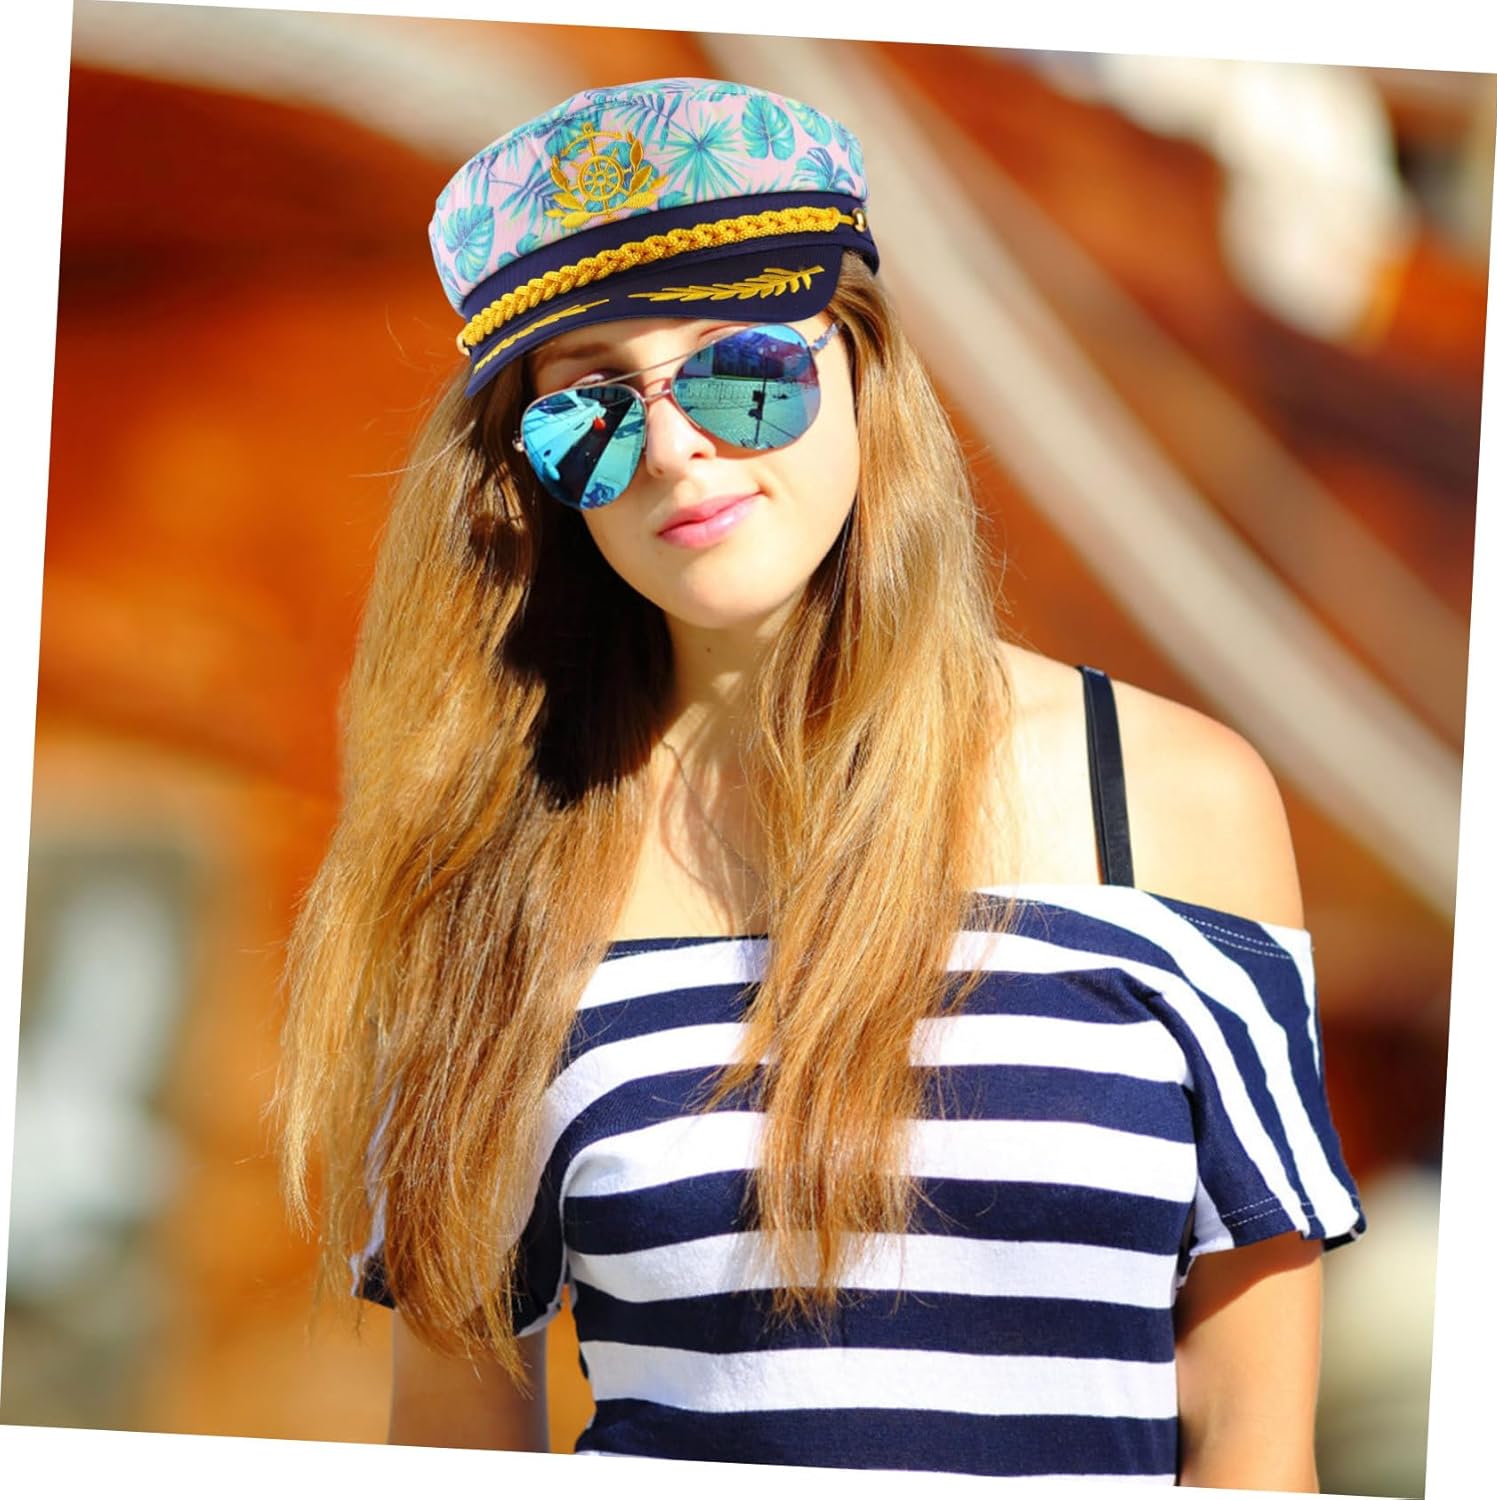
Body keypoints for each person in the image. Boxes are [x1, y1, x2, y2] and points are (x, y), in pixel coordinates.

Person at [278, 78, 1364, 1488]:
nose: (678, 446)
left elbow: (1253, 1437)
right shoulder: (498, 880)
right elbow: (457, 1451)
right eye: (589, 413)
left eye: (741, 370)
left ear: (862, 364)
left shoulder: (1167, 799)